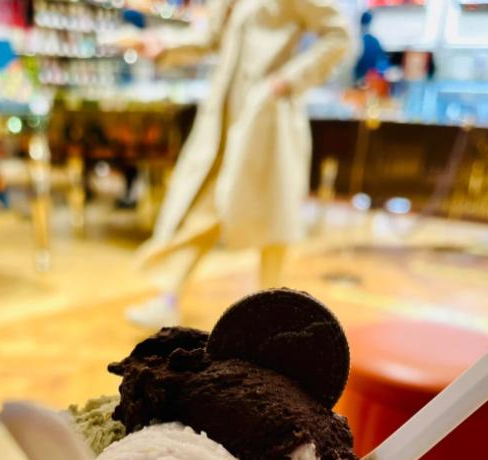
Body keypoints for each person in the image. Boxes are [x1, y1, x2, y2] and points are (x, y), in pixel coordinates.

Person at [125, 0, 351, 328]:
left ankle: (271, 318)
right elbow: (211, 37)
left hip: (268, 122)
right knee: (204, 209)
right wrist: (163, 45)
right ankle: (169, 296)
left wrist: (286, 81)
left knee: (274, 221)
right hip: (224, 124)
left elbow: (339, 35)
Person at [353, 10, 386, 83]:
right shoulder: (373, 41)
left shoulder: (358, 40)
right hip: (369, 78)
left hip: (362, 78)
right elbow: (382, 62)